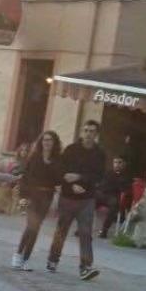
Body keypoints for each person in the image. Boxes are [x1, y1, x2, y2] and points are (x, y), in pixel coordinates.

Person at [46, 119, 105, 280]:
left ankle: (85, 267)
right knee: (61, 230)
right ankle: (53, 260)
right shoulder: (71, 150)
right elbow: (60, 170)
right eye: (86, 130)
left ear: (96, 134)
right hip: (68, 197)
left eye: (92, 131)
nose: (88, 134)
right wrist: (70, 185)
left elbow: (99, 176)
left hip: (87, 199)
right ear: (82, 132)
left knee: (85, 233)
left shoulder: (100, 154)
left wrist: (80, 178)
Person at [11, 129, 63, 270]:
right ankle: (18, 255)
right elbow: (25, 178)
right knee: (31, 226)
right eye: (45, 140)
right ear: (41, 142)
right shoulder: (34, 158)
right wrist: (23, 196)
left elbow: (58, 179)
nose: (47, 142)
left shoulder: (57, 160)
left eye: (50, 140)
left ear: (54, 143)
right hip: (33, 195)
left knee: (36, 228)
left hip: (47, 197)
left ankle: (25, 259)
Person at [97, 155, 130, 239]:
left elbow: (124, 189)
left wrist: (114, 186)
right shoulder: (108, 173)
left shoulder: (127, 175)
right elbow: (103, 185)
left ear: (124, 164)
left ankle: (104, 230)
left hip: (114, 197)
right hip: (102, 195)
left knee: (114, 205)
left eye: (119, 162)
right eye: (115, 162)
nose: (117, 165)